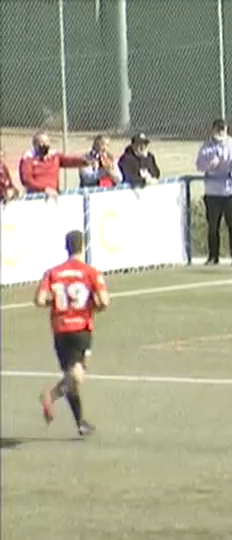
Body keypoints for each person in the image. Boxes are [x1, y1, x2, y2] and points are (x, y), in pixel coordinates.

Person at [35, 230, 110, 437]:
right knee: (75, 376)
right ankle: (64, 408)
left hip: (61, 330)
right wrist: (94, 306)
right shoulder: (91, 272)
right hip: (82, 329)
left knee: (76, 374)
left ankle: (61, 406)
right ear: (83, 246)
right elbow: (104, 302)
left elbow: (39, 300)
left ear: (66, 247)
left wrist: (58, 302)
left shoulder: (52, 273)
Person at [195, 119, 232, 266]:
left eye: (223, 129)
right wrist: (210, 165)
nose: (221, 132)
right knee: (213, 226)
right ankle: (213, 257)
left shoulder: (231, 146)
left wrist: (219, 164)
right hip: (212, 193)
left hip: (230, 193)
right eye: (218, 129)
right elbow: (200, 164)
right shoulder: (206, 146)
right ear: (213, 129)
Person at [19, 131, 89, 197]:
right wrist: (44, 189)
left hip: (54, 194)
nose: (44, 145)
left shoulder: (54, 156)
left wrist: (85, 161)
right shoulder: (28, 159)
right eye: (41, 143)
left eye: (46, 142)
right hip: (36, 196)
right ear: (34, 144)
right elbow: (26, 180)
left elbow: (69, 161)